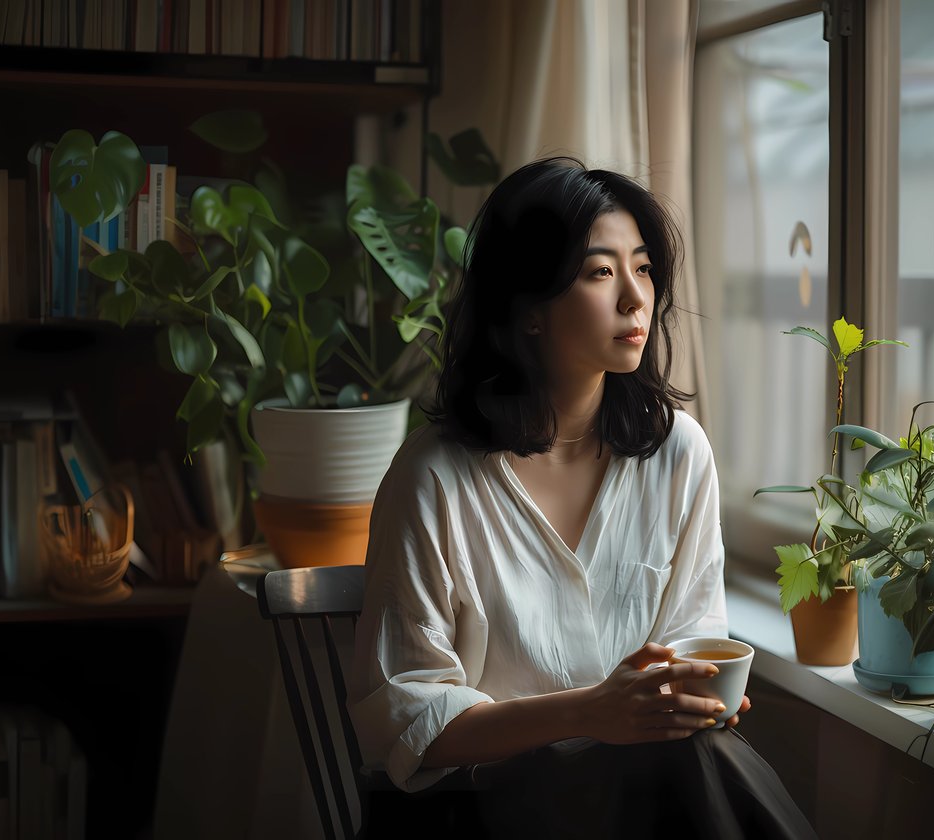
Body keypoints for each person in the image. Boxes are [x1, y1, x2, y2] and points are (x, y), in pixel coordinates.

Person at [348, 157, 816, 839]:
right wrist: (588, 713)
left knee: (699, 750)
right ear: (529, 309)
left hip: (645, 796)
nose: (636, 298)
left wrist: (689, 699)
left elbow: (692, 641)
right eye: (601, 272)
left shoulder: (678, 454)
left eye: (645, 268)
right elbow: (404, 717)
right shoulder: (435, 478)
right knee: (692, 767)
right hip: (477, 808)